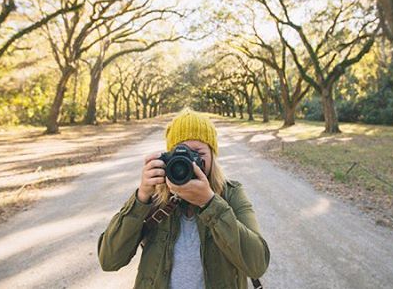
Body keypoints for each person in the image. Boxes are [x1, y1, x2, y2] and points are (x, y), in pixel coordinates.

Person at [97, 108, 270, 288]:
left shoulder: (231, 194)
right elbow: (109, 261)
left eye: (198, 154)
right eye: (181, 154)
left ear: (212, 155)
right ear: (168, 158)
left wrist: (210, 203)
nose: (189, 163)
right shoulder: (154, 197)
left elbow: (257, 265)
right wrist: (141, 198)